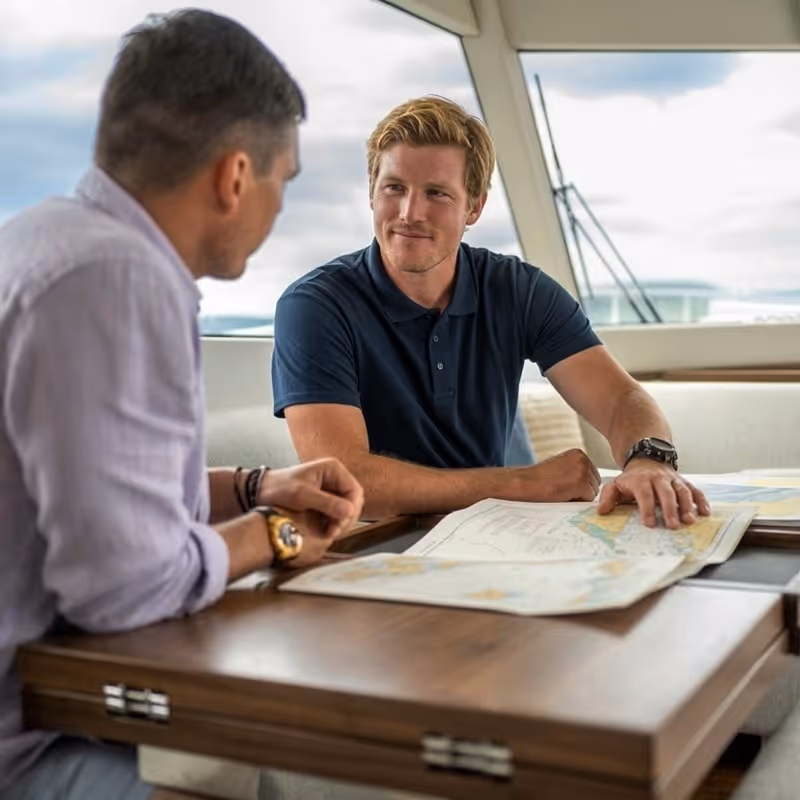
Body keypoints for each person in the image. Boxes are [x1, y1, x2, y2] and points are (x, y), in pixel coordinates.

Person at [0, 10, 372, 800]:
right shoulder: (116, 279)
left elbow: (91, 484)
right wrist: (275, 534)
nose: (277, 209)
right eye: (285, 180)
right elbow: (122, 588)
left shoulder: (40, 241)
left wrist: (256, 489)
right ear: (236, 176)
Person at [272, 96, 710, 526]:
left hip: (495, 538)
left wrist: (649, 460)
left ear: (475, 207)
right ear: (372, 191)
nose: (409, 213)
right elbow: (348, 480)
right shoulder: (314, 306)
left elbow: (621, 399)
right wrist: (521, 483)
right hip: (368, 547)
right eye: (394, 188)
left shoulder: (518, 289)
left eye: (437, 194)